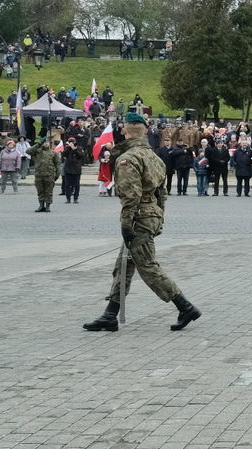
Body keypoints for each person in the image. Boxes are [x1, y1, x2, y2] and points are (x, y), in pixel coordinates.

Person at [84, 112, 200, 333]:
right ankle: (110, 314)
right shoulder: (154, 157)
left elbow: (131, 196)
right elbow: (162, 194)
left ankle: (185, 306)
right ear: (145, 131)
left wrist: (126, 224)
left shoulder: (129, 158)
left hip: (139, 218)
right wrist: (158, 217)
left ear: (126, 132)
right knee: (124, 266)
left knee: (147, 266)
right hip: (150, 215)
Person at [30, 137, 60, 212]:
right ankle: (41, 205)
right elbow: (28, 151)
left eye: (47, 142)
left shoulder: (53, 153)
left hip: (49, 175)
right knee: (40, 191)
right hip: (39, 175)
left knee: (49, 191)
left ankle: (48, 206)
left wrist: (57, 175)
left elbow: (57, 165)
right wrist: (38, 144)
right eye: (44, 142)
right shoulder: (37, 151)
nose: (46, 144)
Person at [61, 138, 86, 203]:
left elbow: (81, 156)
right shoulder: (67, 148)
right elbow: (64, 154)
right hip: (68, 169)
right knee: (67, 185)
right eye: (70, 142)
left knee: (76, 185)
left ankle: (75, 198)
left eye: (73, 142)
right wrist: (69, 148)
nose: (72, 144)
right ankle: (68, 198)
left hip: (76, 169)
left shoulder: (79, 148)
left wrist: (75, 149)